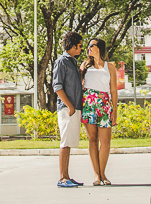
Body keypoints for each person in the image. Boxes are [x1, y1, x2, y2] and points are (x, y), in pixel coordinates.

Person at [80, 36, 117, 185]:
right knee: (92, 139)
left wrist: (114, 110)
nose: (89, 48)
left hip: (104, 104)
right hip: (89, 103)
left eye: (92, 45)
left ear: (100, 48)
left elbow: (113, 90)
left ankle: (103, 174)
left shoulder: (110, 67)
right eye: (89, 46)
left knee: (106, 141)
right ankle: (96, 175)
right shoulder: (85, 66)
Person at [52, 31, 85, 188]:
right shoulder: (61, 61)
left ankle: (67, 176)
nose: (80, 49)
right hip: (67, 108)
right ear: (72, 46)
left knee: (69, 143)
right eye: (79, 46)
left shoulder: (72, 61)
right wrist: (70, 106)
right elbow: (57, 86)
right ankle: (62, 179)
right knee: (65, 142)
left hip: (74, 108)